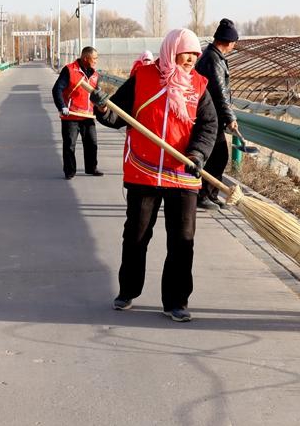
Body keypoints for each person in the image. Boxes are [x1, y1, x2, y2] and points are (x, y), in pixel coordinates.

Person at [92, 28, 218, 322]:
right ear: (171, 51)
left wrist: (197, 155)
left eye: (194, 54)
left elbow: (209, 126)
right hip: (144, 172)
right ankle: (128, 290)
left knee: (182, 240)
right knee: (136, 235)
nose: (191, 59)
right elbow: (117, 114)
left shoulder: (199, 86)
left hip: (182, 174)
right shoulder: (144, 78)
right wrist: (102, 106)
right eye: (185, 53)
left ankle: (176, 301)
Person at [194, 18, 239, 211]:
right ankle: (203, 194)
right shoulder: (213, 60)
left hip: (211, 115)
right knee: (217, 157)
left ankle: (211, 194)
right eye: (234, 43)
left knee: (217, 156)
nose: (233, 46)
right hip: (209, 116)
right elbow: (220, 92)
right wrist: (230, 117)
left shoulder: (212, 56)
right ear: (228, 42)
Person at [51, 46, 104, 179]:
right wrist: (62, 107)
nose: (96, 61)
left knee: (92, 143)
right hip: (71, 116)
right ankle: (69, 171)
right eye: (94, 58)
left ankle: (91, 168)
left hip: (88, 116)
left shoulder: (96, 75)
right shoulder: (69, 70)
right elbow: (57, 89)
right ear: (86, 58)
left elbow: (96, 96)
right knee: (70, 145)